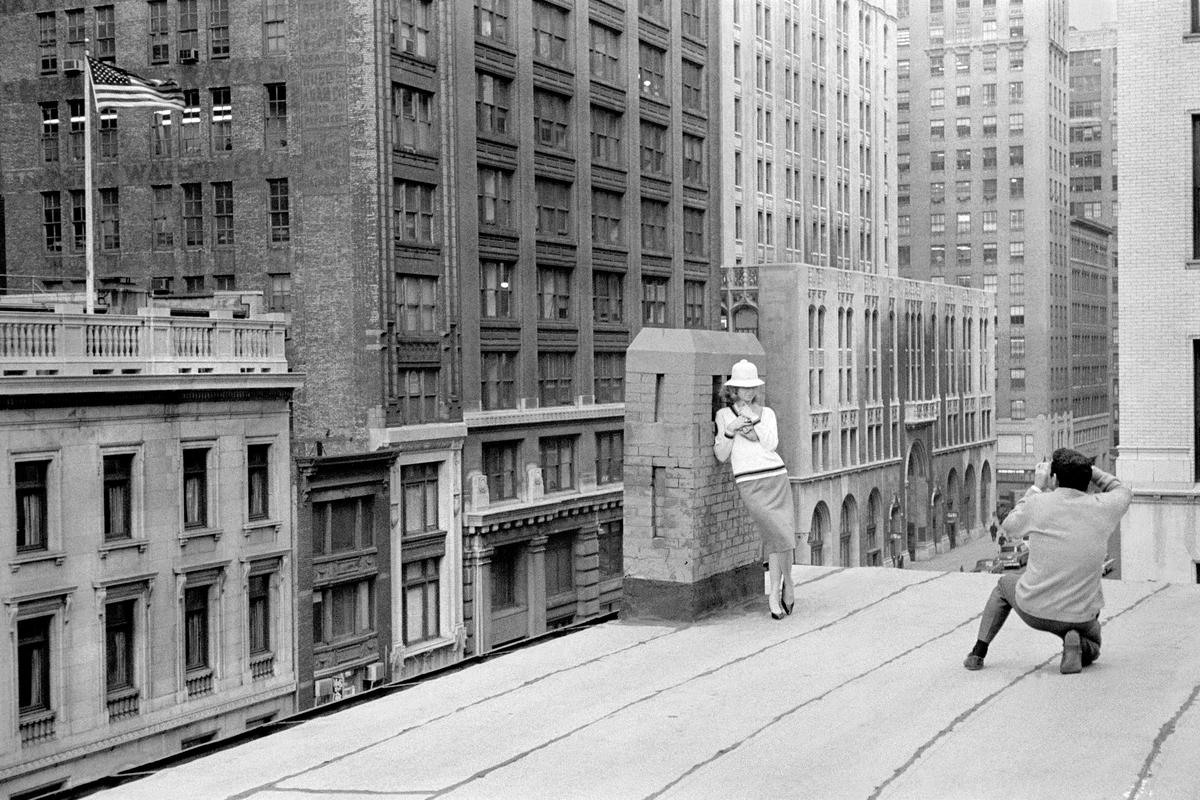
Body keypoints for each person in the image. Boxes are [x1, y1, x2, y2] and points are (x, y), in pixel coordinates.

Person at [963, 449, 1131, 674]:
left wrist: (1036, 487)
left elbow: (1010, 525)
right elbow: (1123, 490)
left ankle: (977, 653)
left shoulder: (1039, 503)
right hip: (1082, 615)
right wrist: (1091, 471)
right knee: (1094, 644)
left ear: (1054, 477)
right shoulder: (1104, 506)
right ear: (1087, 479)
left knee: (1004, 585)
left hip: (1034, 611)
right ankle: (1076, 642)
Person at [713, 359, 797, 620]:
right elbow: (721, 456)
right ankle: (788, 585)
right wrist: (730, 431)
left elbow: (771, 445)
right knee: (777, 535)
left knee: (780, 537)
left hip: (775, 476)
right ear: (733, 390)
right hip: (749, 482)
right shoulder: (724, 416)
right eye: (742, 388)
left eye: (751, 387)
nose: (747, 393)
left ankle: (776, 591)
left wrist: (754, 424)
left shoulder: (767, 413)